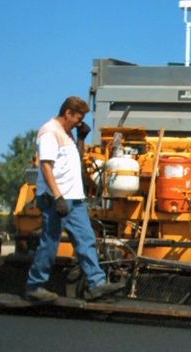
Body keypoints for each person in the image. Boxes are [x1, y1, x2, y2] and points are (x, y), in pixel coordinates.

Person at [25, 96, 124, 302]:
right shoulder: (50, 132)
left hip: (75, 198)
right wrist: (58, 196)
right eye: (78, 118)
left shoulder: (67, 133)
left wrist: (80, 138)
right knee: (50, 243)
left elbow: (74, 161)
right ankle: (35, 286)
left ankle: (97, 284)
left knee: (86, 240)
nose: (80, 122)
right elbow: (46, 165)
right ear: (67, 113)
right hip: (57, 197)